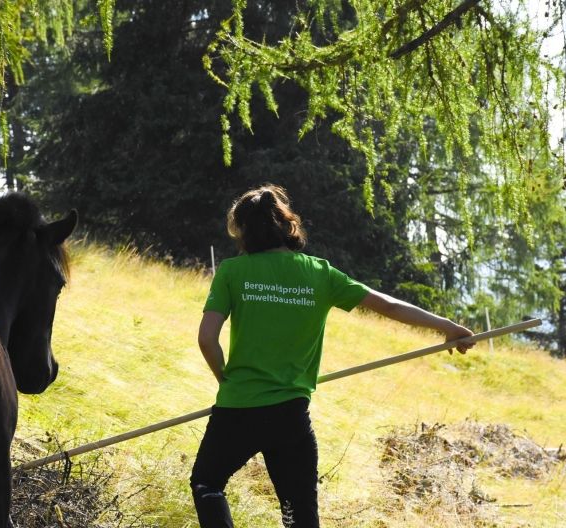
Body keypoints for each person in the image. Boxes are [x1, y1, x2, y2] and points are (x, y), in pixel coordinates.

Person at [190, 184, 474, 527]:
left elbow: (207, 338)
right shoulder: (319, 273)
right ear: (287, 225)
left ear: (245, 231)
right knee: (300, 517)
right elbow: (387, 304)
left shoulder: (233, 272)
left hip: (238, 410)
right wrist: (447, 326)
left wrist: (229, 382)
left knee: (208, 483)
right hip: (290, 415)